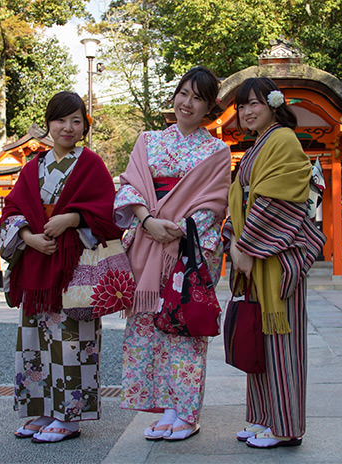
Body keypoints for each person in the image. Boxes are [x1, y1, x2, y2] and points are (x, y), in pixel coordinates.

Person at [114, 66, 230, 441]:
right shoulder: (148, 140)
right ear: (175, 95)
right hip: (149, 242)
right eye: (183, 93)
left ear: (209, 106)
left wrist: (181, 228)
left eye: (198, 98)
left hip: (189, 248)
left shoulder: (216, 150)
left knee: (184, 328)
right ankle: (166, 409)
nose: (187, 103)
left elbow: (215, 201)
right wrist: (148, 221)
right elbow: (131, 185)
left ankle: (187, 413)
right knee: (149, 328)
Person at [0, 91, 121, 443]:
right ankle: (39, 410)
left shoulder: (92, 164)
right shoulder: (33, 166)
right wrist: (28, 236)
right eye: (60, 120)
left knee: (72, 341)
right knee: (35, 340)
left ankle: (68, 416)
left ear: (85, 125)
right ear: (48, 124)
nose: (68, 127)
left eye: (76, 120)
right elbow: (12, 209)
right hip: (37, 263)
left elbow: (108, 214)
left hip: (74, 267)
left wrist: (72, 217)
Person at [225, 77, 325, 449]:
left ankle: (286, 426)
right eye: (242, 106)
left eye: (254, 103)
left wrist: (247, 247)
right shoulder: (257, 146)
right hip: (252, 255)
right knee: (258, 338)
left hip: (277, 259)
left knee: (281, 343)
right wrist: (235, 244)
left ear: (272, 104)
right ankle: (262, 416)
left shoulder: (282, 139)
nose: (247, 111)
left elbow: (276, 200)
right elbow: (240, 201)